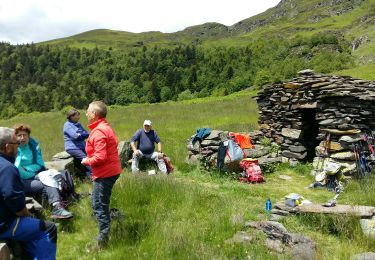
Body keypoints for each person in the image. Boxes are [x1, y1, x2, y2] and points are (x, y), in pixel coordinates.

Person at [0, 127, 57, 259]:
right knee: (49, 228)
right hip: (4, 224)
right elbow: (13, 199)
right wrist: (27, 215)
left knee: (31, 230)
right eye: (17, 144)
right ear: (8, 147)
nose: (18, 147)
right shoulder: (8, 168)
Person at [81, 101, 122, 248]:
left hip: (105, 173)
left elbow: (100, 157)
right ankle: (105, 232)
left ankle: (102, 242)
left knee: (98, 205)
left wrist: (86, 161)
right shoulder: (105, 127)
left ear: (94, 115)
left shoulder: (99, 131)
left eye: (88, 111)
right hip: (110, 170)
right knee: (100, 203)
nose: (85, 113)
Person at [13, 124, 73, 219]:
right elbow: (17, 170)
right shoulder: (14, 149)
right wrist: (30, 171)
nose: (22, 137)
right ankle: (49, 210)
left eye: (25, 135)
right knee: (46, 184)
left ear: (29, 136)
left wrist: (28, 169)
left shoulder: (33, 147)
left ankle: (60, 206)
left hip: (36, 174)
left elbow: (40, 164)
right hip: (21, 180)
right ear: (15, 137)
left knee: (58, 175)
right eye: (19, 135)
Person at [63, 108, 91, 178]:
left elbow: (87, 134)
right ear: (71, 116)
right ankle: (92, 178)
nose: (79, 117)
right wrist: (81, 135)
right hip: (73, 148)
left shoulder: (78, 124)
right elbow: (75, 136)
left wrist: (80, 134)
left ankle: (87, 176)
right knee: (86, 160)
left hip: (82, 146)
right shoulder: (67, 125)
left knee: (92, 158)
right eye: (77, 115)